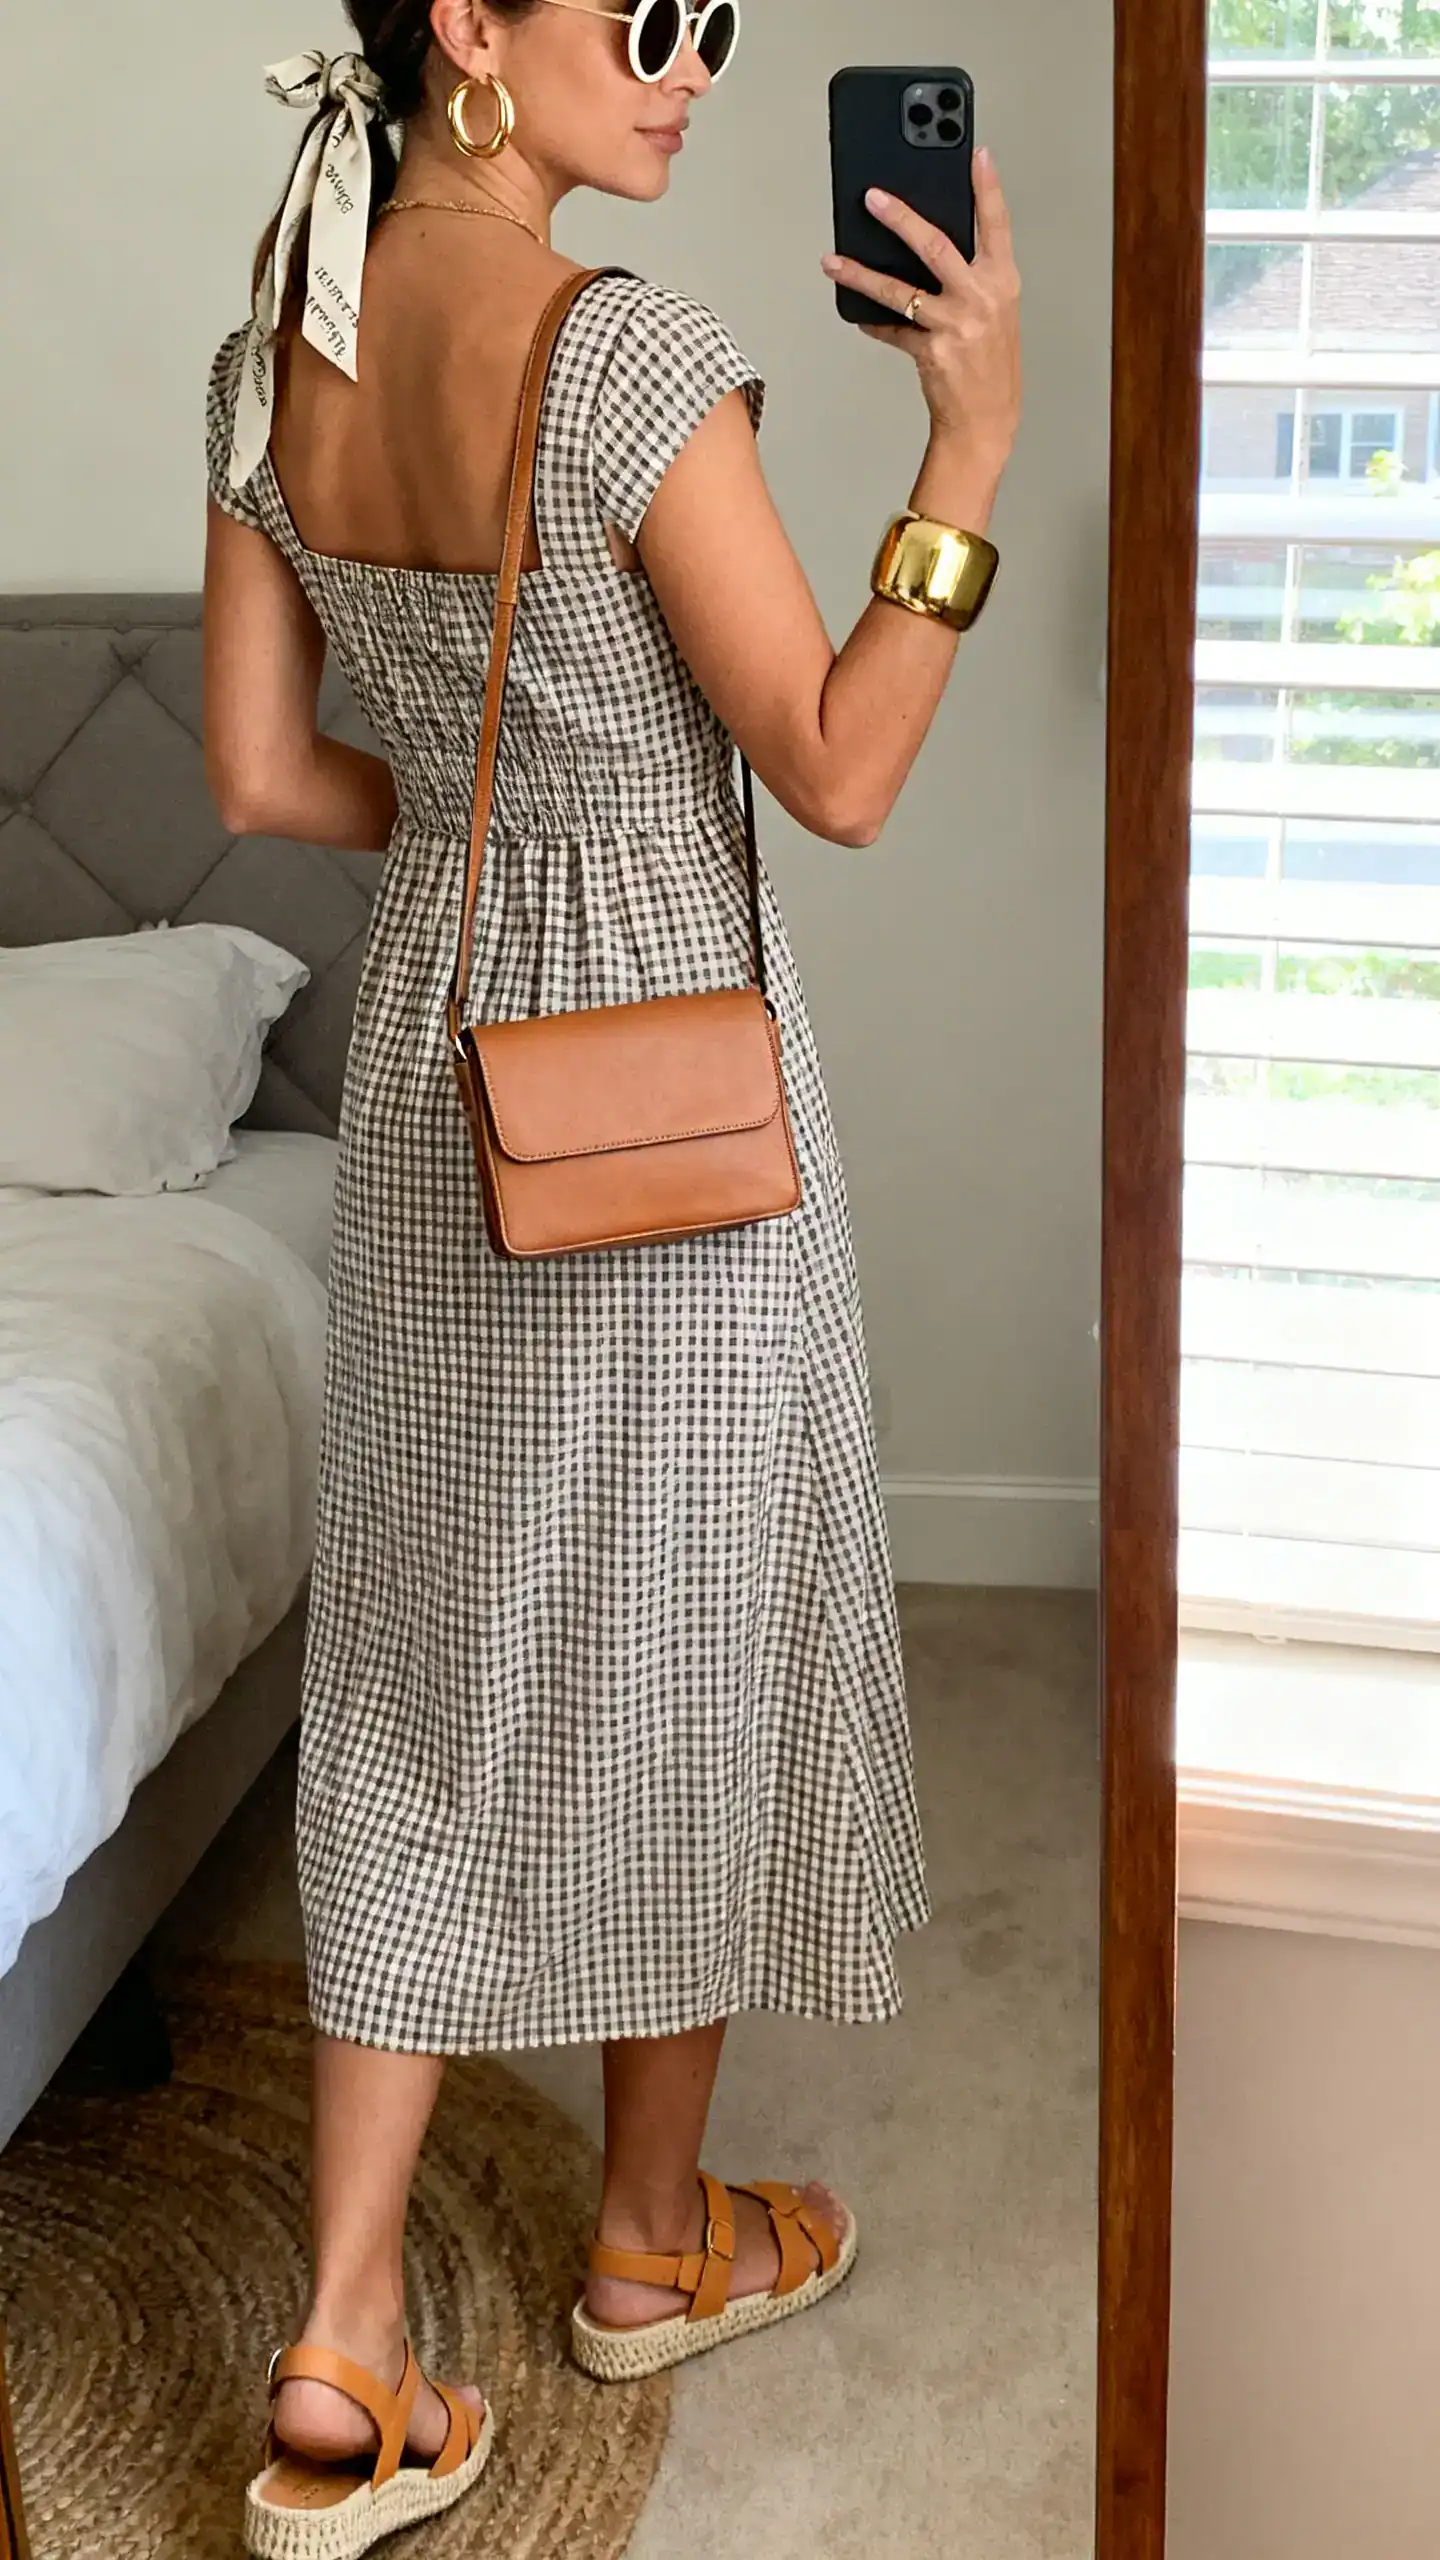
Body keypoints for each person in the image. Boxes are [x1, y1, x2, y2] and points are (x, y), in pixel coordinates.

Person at [203, 5, 1021, 2550]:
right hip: (674, 1109)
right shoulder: (633, 349)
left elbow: (257, 773)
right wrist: (969, 452)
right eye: (638, 23)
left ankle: (342, 2335)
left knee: (428, 1664)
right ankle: (647, 2246)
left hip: (448, 1101)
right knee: (699, 1627)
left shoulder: (283, 343)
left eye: (710, 27)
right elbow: (845, 761)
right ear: (471, 33)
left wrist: (476, 796)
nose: (683, 70)